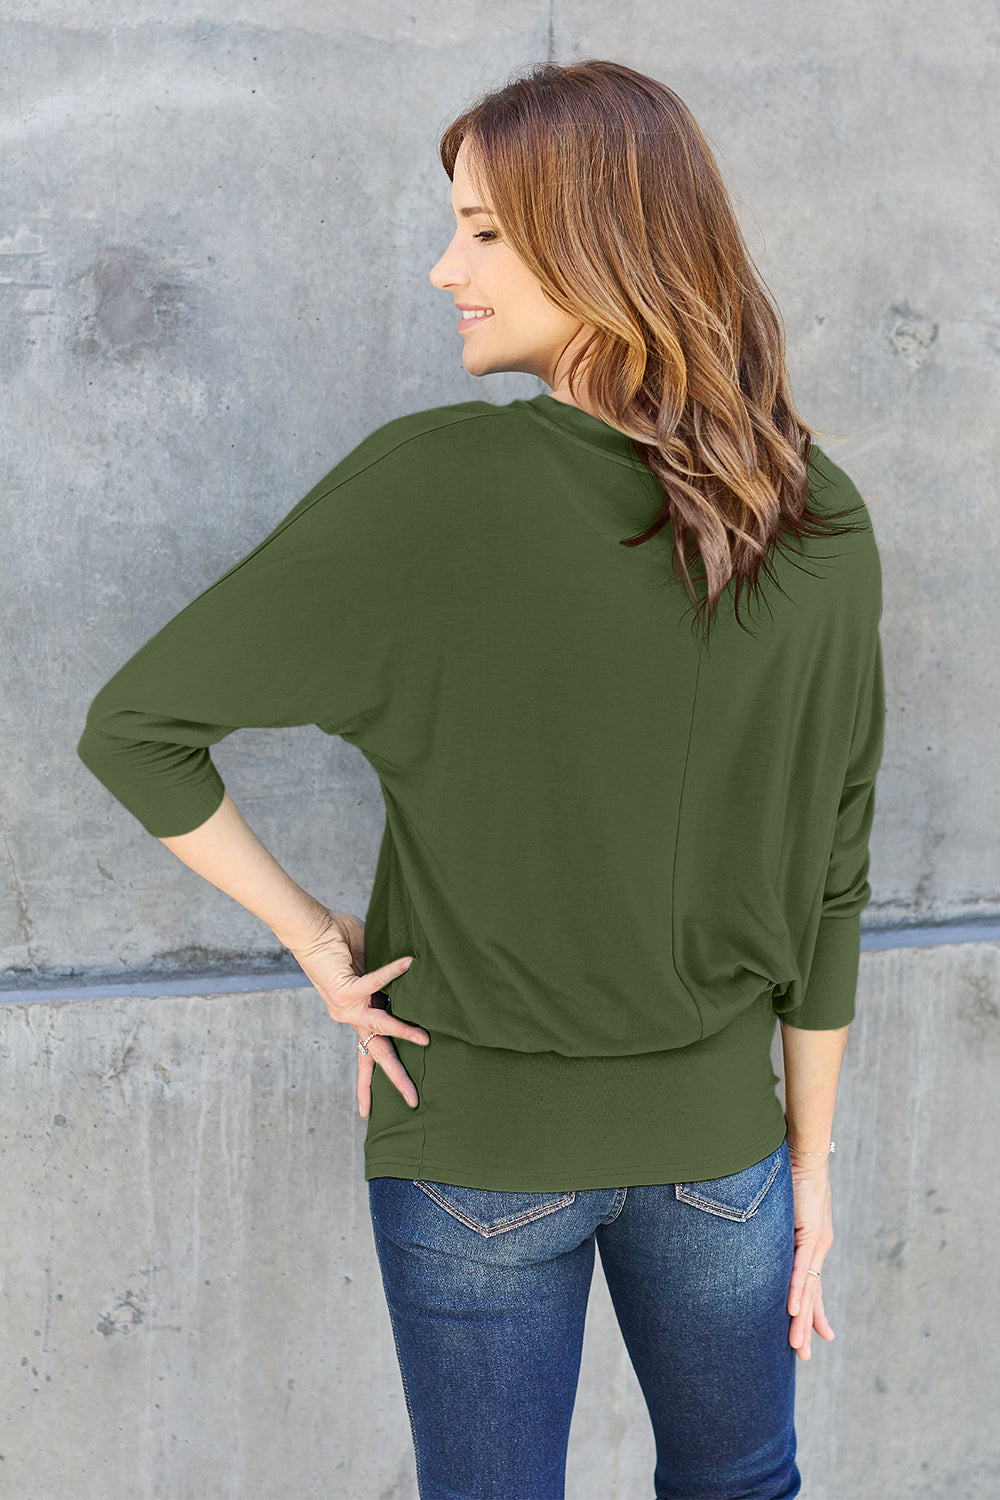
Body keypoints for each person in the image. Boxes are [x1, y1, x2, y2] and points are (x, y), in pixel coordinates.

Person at [76, 58, 885, 1500]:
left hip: (475, 1152)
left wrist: (320, 945)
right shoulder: (813, 512)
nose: (447, 267)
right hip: (724, 1152)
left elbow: (136, 727)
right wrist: (811, 1170)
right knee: (747, 1483)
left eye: (489, 232)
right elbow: (835, 872)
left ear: (606, 238)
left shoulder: (433, 487)